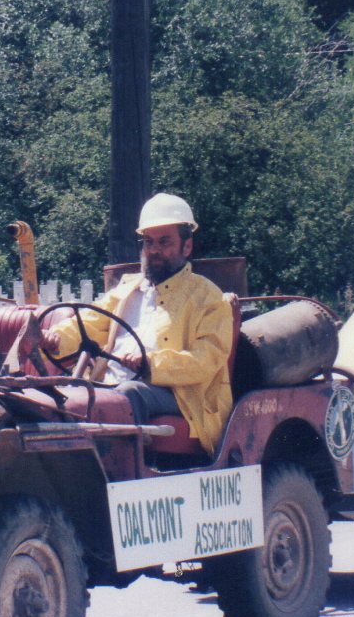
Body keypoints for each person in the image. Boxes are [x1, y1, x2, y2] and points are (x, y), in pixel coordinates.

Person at [44, 193, 234, 453]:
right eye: (149, 242)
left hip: (181, 395)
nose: (154, 250)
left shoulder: (208, 298)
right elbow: (89, 322)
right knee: (62, 396)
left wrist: (150, 363)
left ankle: (117, 466)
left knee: (129, 393)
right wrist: (55, 338)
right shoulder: (127, 289)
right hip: (110, 385)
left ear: (186, 247)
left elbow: (206, 360)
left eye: (165, 242)